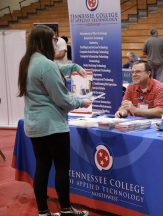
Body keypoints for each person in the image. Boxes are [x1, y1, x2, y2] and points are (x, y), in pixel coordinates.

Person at [17, 25, 91, 216]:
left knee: (42, 167)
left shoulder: (28, 61)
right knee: (61, 167)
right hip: (52, 126)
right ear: (43, 41)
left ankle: (43, 211)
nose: (56, 43)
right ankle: (66, 209)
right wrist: (82, 102)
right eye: (53, 40)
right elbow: (63, 100)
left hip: (34, 125)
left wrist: (74, 67)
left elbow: (55, 71)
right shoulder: (46, 64)